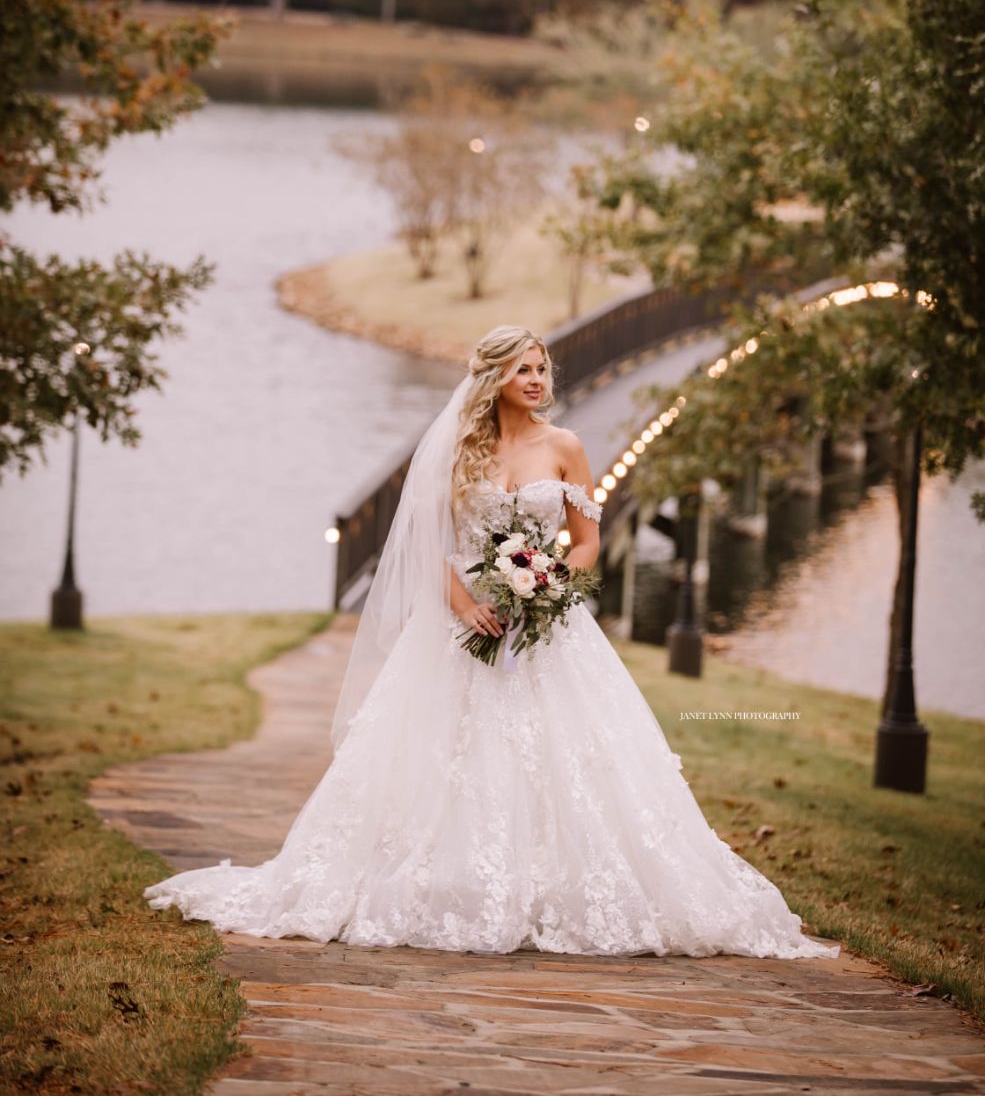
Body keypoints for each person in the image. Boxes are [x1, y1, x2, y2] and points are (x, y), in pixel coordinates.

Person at [145, 325, 840, 960]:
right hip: (462, 624)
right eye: (522, 370)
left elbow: (590, 540)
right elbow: (435, 548)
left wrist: (548, 584)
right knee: (448, 756)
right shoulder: (457, 449)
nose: (537, 380)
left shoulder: (564, 446)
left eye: (541, 368)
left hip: (547, 626)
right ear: (493, 379)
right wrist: (468, 606)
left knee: (565, 758)